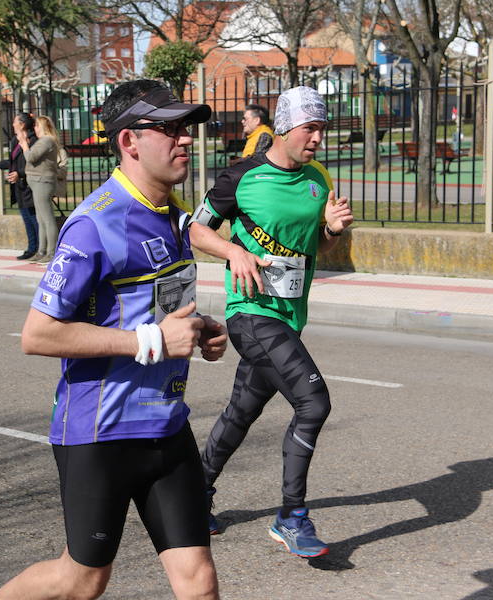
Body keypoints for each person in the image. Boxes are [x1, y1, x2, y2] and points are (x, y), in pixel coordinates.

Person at [0, 80, 228, 600]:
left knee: (199, 582)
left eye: (185, 129)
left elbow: (152, 309)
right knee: (81, 581)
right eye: (169, 129)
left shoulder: (172, 216)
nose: (185, 139)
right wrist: (152, 341)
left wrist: (198, 331)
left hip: (167, 425)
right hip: (102, 434)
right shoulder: (94, 224)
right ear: (129, 142)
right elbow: (38, 334)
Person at [188, 85, 354, 558]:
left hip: (290, 316)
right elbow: (197, 228)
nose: (318, 138)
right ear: (283, 127)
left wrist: (332, 231)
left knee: (242, 410)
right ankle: (292, 516)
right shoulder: (241, 176)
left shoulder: (317, 177)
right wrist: (234, 251)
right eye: (311, 128)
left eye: (322, 128)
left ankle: (196, 492)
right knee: (313, 402)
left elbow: (317, 246)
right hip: (251, 314)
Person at [0, 113, 39, 260]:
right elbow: (12, 162)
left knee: (34, 218)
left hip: (30, 185)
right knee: (26, 219)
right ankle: (31, 248)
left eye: (15, 122)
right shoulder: (15, 140)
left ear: (22, 125)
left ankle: (41, 249)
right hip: (19, 186)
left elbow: (34, 164)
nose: (13, 124)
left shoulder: (34, 141)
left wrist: (20, 174)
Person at [18, 115, 59, 264]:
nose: (34, 128)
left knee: (47, 219)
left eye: (36, 126)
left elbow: (31, 157)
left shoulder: (47, 140)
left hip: (43, 182)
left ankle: (51, 252)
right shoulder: (43, 141)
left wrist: (24, 145)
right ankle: (42, 251)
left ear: (42, 126)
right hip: (37, 182)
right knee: (41, 219)